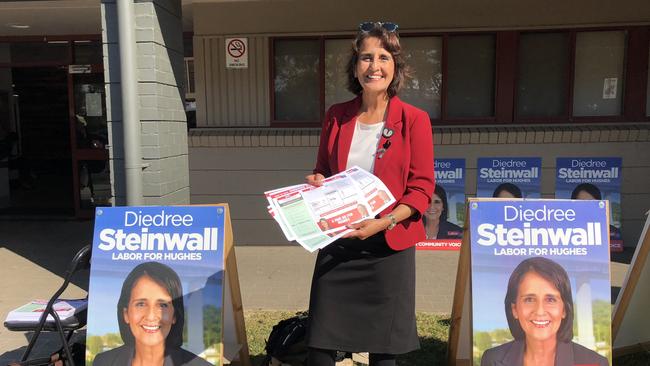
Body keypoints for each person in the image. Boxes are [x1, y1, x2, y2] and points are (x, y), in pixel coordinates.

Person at [304, 21, 435, 366]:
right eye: (366, 57)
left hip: (389, 247)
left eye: (383, 57)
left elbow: (421, 189)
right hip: (340, 244)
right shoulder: (337, 116)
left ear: (396, 67)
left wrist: (386, 221)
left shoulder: (415, 120)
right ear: (355, 66)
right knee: (319, 346)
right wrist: (317, 181)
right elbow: (323, 171)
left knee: (383, 353)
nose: (374, 66)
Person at [480, 257, 608, 366]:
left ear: (564, 309)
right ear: (514, 310)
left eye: (551, 299)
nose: (540, 311)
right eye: (529, 299)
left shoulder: (595, 362)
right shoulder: (492, 359)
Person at [93, 262, 212, 366]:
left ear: (174, 316)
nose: (151, 316)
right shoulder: (103, 362)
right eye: (141, 304)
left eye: (162, 305)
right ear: (126, 314)